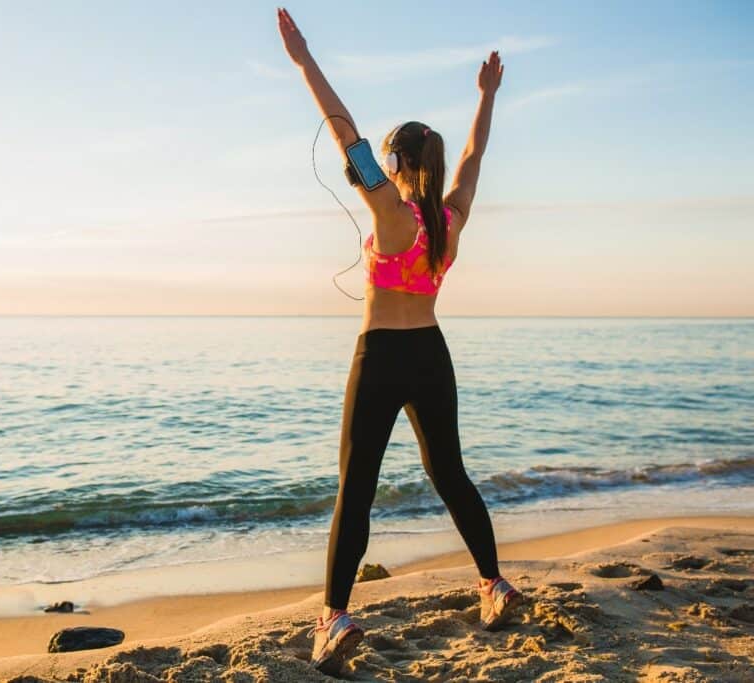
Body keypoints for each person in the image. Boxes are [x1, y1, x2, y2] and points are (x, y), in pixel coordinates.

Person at [276, 7, 523, 675]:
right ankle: (493, 583)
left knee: (356, 486)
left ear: (397, 162)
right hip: (432, 355)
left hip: (382, 354)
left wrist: (304, 64)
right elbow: (474, 157)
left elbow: (344, 134)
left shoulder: (388, 210)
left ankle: (334, 618)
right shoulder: (451, 217)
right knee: (451, 475)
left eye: (386, 158)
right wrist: (487, 97)